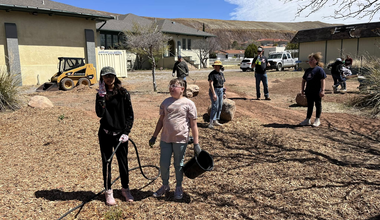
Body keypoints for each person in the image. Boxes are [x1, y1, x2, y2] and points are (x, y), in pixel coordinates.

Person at [149, 78, 201, 200]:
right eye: (170, 85)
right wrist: (154, 136)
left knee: (179, 165)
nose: (171, 88)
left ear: (182, 89)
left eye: (175, 86)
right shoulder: (166, 102)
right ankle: (165, 185)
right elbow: (161, 121)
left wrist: (196, 144)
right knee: (163, 164)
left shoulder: (189, 104)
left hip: (181, 139)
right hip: (166, 138)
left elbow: (194, 125)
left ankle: (178, 186)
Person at [95, 66, 134, 206]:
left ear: (115, 77)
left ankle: (125, 189)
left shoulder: (123, 93)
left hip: (120, 135)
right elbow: (99, 113)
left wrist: (126, 132)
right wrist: (101, 97)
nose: (108, 79)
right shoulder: (101, 94)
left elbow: (130, 115)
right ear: (102, 78)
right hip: (105, 133)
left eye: (111, 76)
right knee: (107, 162)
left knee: (123, 163)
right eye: (106, 76)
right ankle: (108, 191)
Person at [299, 52, 327, 127]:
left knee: (318, 105)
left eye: (312, 60)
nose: (310, 61)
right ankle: (308, 119)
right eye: (309, 60)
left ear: (316, 61)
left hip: (317, 91)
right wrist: (302, 90)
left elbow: (323, 80)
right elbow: (303, 80)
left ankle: (317, 119)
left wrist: (322, 90)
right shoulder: (307, 70)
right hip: (308, 91)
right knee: (310, 106)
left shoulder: (319, 69)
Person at [208, 60, 226, 129]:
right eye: (214, 65)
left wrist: (224, 92)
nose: (215, 66)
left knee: (220, 106)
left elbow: (223, 84)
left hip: (220, 90)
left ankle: (216, 120)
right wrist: (213, 94)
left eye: (217, 65)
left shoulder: (221, 74)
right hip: (214, 90)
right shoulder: (212, 74)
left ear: (219, 66)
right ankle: (211, 123)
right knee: (215, 106)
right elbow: (211, 84)